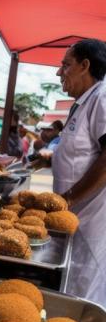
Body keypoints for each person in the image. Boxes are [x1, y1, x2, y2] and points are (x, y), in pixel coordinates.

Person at [53, 38, 106, 308]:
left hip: (91, 223)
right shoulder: (83, 103)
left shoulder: (102, 96)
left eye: (65, 65)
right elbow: (79, 153)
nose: (59, 72)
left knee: (83, 300)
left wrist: (68, 199)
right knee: (71, 291)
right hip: (73, 219)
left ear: (85, 66)